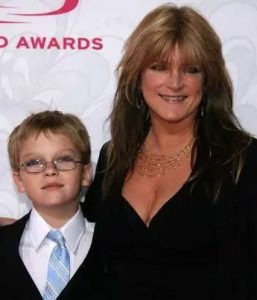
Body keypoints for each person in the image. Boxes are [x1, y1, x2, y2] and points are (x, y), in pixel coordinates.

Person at [83, 3, 257, 300]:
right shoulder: (113, 157)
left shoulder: (242, 159)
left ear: (208, 79)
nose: (175, 82)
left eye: (191, 69)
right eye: (160, 67)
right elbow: (87, 253)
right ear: (138, 76)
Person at [0, 110, 100, 300]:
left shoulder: (115, 243)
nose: (50, 170)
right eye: (34, 162)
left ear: (86, 173)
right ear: (19, 180)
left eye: (64, 159)